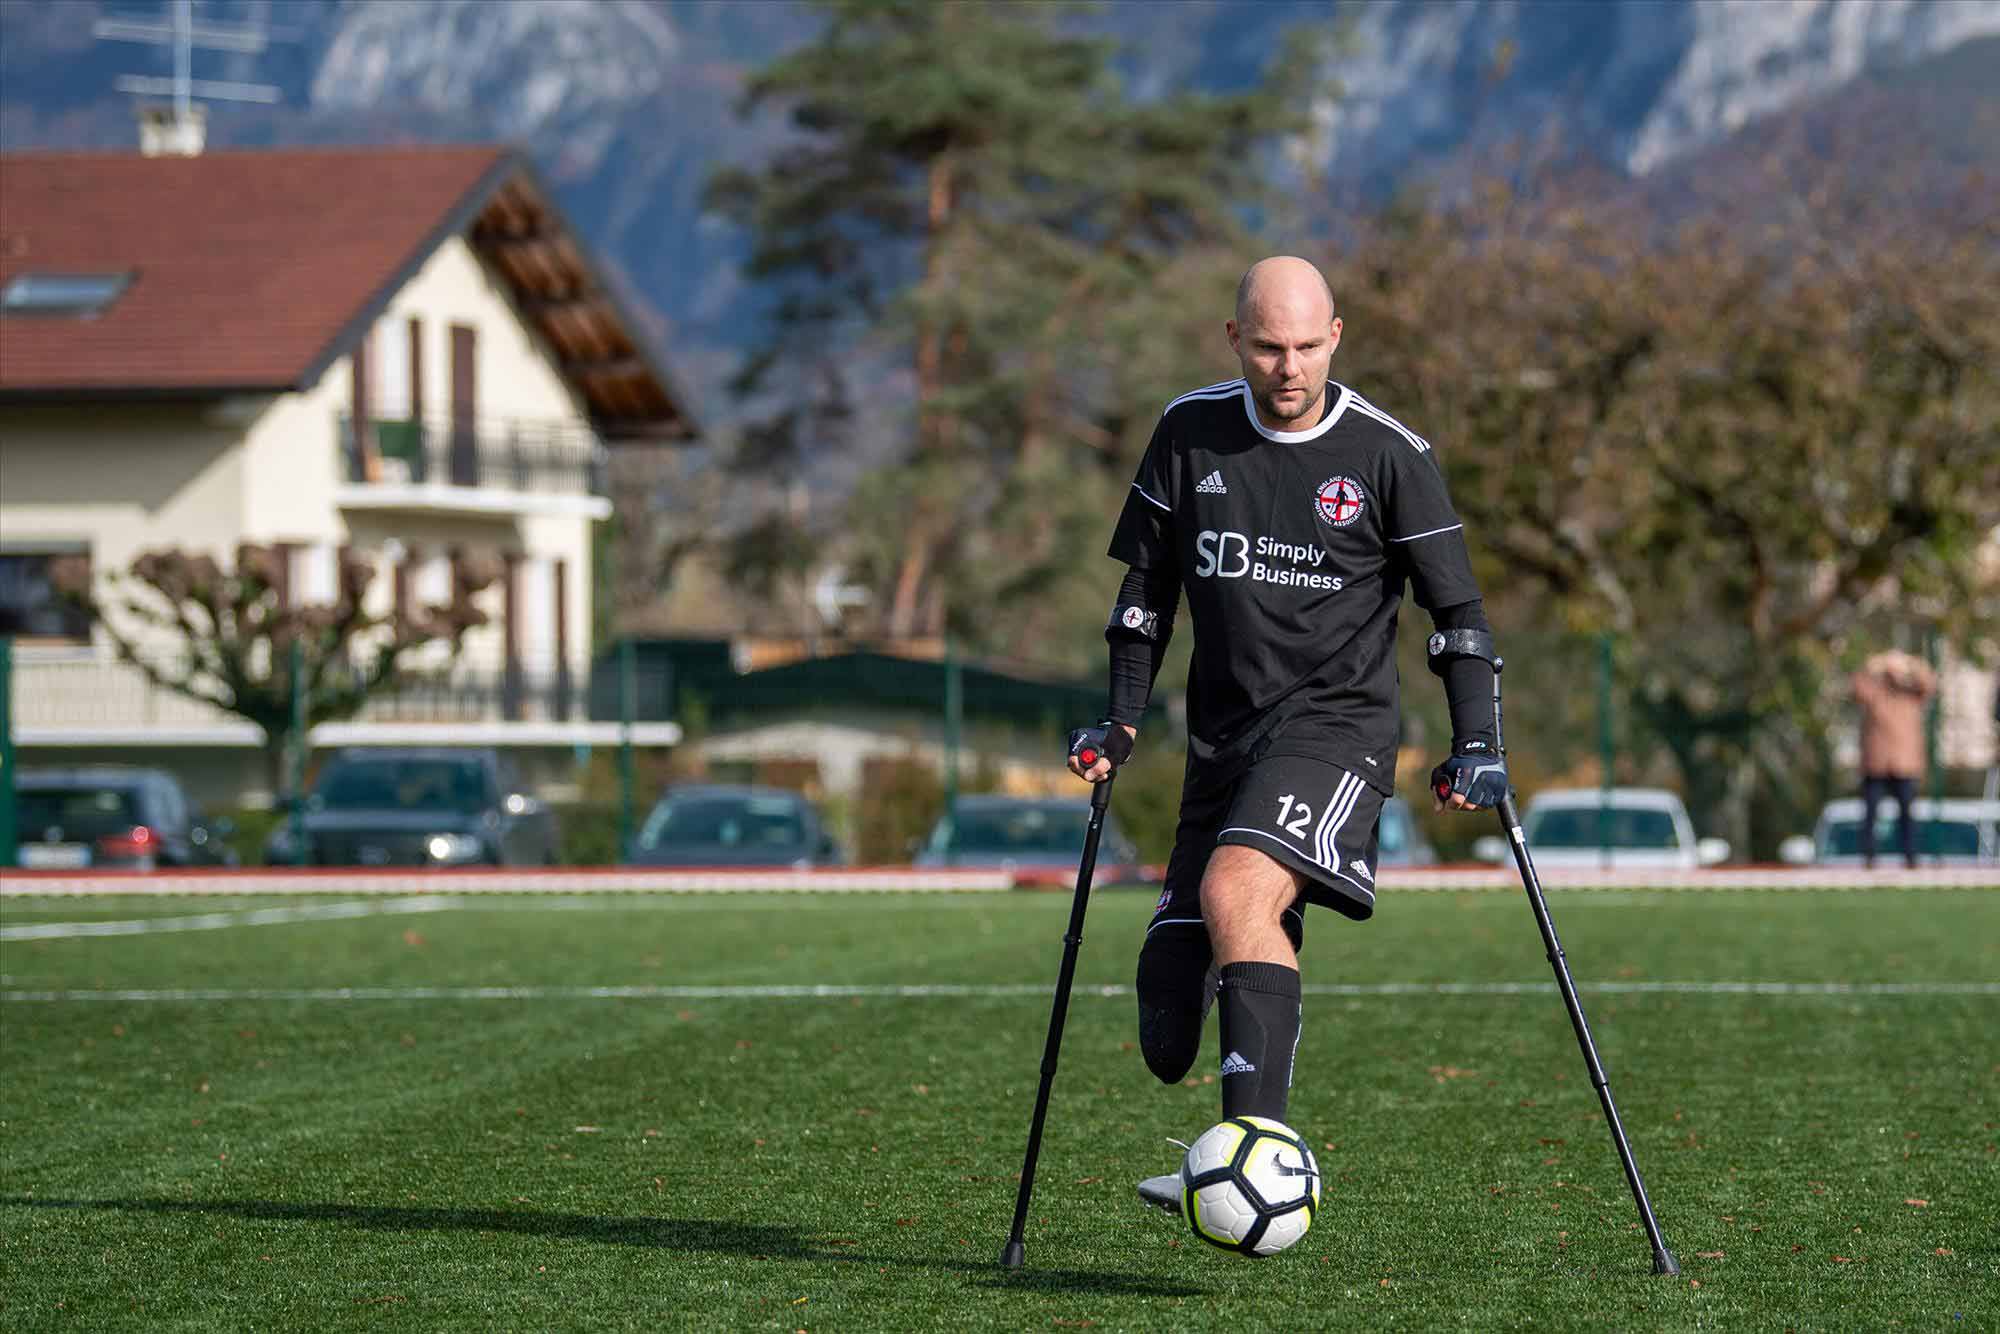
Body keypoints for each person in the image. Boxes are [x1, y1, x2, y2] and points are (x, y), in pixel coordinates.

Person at [1064, 256, 1506, 1211]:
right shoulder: (1189, 431)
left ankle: (1256, 1156)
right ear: (1235, 341)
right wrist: (1122, 718)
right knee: (1168, 1008)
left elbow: (1459, 613)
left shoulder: (1391, 455)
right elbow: (1145, 595)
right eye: (1268, 346)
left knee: (1237, 887)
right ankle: (1230, 1126)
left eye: (1307, 345)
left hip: (1336, 731)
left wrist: (1477, 740)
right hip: (1222, 742)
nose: (1289, 366)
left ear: (1337, 335)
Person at [1850, 649, 1937, 869]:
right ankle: (1869, 857)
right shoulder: (1875, 693)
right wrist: (1876, 663)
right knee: (1870, 814)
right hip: (1876, 764)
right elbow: (1858, 687)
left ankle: (1911, 857)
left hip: (1905, 765)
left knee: (1907, 815)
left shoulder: (1912, 695)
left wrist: (1908, 663)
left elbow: (1930, 683)